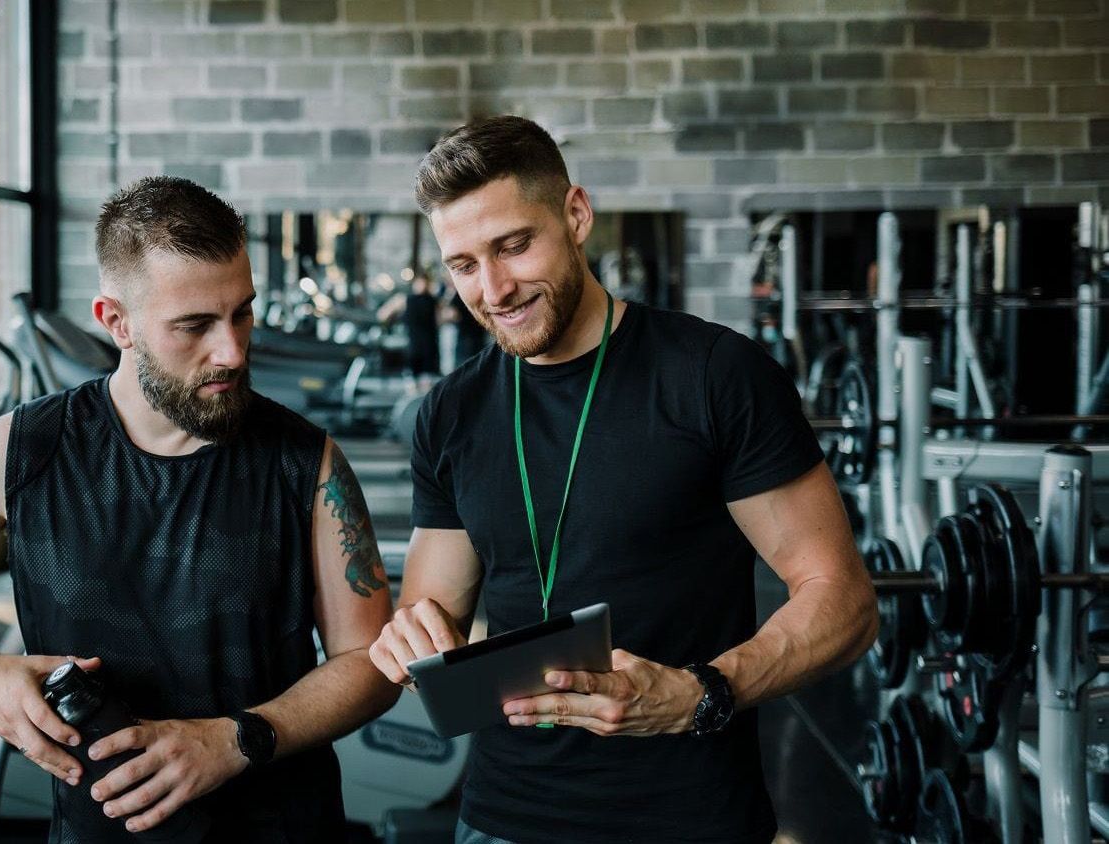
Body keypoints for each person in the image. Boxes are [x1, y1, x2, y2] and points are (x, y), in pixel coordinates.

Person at [0, 176, 399, 842]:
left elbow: (369, 661)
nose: (232, 351)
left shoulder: (306, 462)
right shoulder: (25, 450)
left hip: (282, 826)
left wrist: (236, 740)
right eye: (195, 326)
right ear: (116, 322)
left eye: (242, 312)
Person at [367, 115, 878, 843]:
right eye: (464, 263)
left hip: (688, 818)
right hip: (502, 818)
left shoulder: (714, 377)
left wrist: (700, 693)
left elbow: (845, 600)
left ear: (576, 215)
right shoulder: (449, 413)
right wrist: (411, 635)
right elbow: (432, 612)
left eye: (514, 245)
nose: (495, 288)